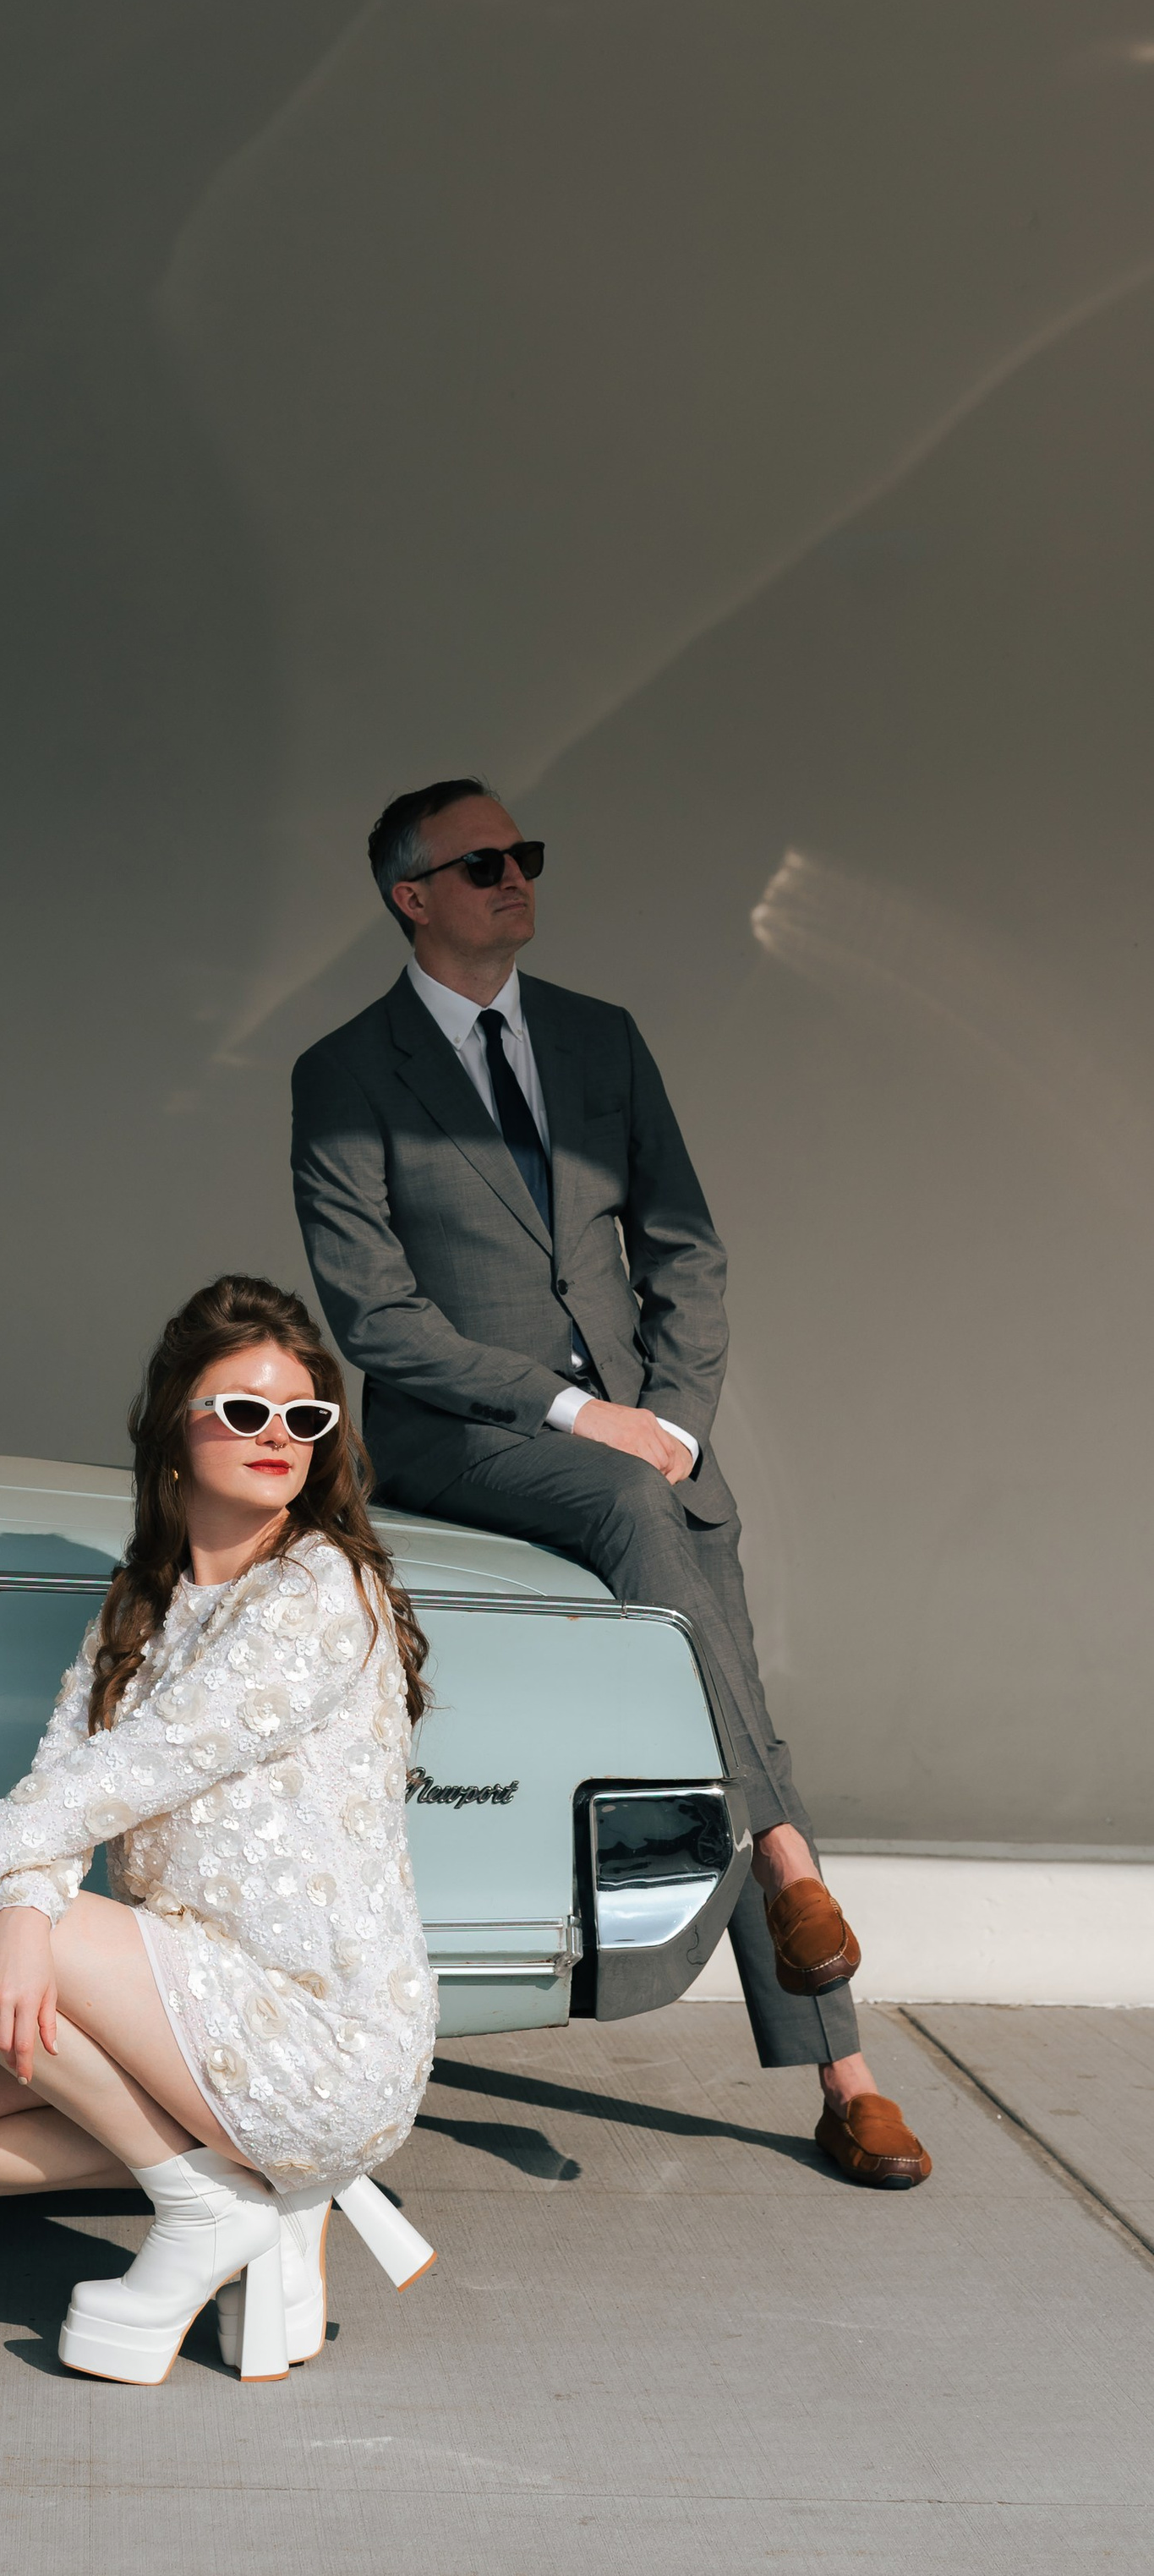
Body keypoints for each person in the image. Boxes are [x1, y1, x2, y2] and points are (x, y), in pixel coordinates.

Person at [289, 778, 932, 2191]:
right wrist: (587, 1418)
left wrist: (678, 1423)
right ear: (412, 897)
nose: (516, 876)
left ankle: (847, 2077)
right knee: (666, 1553)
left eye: (524, 854)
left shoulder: (601, 1039)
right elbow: (377, 1319)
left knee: (712, 1649)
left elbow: (687, 1247)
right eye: (482, 865)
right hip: (468, 1433)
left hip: (647, 1448)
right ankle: (793, 1884)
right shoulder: (345, 1073)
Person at [0, 1274, 440, 2385]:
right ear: (176, 1428)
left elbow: (139, 1767)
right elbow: (68, 1786)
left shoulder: (320, 1588)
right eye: (246, 1410)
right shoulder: (139, 1604)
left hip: (322, 2033)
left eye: (305, 1417)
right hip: (185, 2004)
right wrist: (24, 1915)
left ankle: (200, 2205)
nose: (279, 1436)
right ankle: (229, 2191)